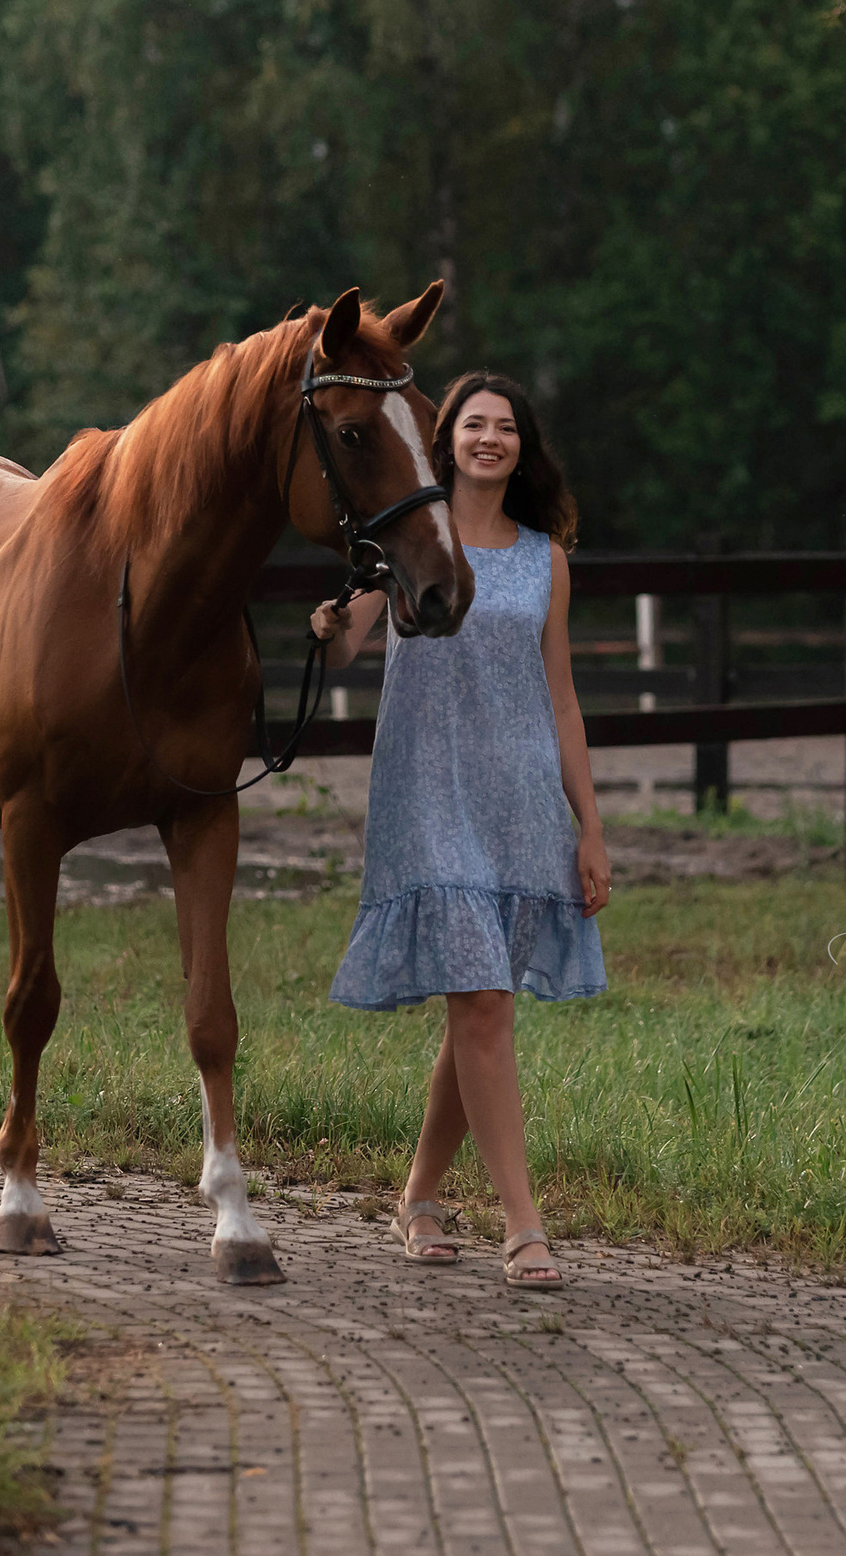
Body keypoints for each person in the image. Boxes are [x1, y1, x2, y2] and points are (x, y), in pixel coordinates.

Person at [312, 369, 609, 1287]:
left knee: (479, 1000)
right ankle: (524, 1225)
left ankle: (420, 1196)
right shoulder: (407, 543)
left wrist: (589, 826)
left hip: (518, 800)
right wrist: (327, 625)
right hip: (427, 793)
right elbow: (350, 641)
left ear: (524, 448)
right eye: (474, 424)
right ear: (445, 442)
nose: (490, 439)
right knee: (481, 1001)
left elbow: (561, 698)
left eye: (506, 428)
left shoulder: (544, 559)